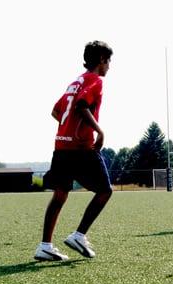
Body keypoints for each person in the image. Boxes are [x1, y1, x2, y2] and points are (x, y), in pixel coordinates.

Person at [34, 41, 114, 261]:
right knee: (105, 191)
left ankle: (45, 246)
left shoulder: (74, 82)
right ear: (101, 60)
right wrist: (99, 131)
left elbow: (55, 111)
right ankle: (79, 235)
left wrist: (68, 129)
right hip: (81, 147)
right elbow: (81, 105)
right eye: (108, 62)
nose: (109, 67)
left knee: (60, 193)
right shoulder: (95, 80)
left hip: (61, 145)